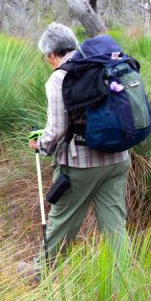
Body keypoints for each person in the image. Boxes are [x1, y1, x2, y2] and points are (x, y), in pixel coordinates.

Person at [25, 22, 131, 275]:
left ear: (52, 54)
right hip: (118, 159)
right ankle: (127, 283)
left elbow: (56, 131)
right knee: (115, 224)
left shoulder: (60, 77)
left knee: (62, 221)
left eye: (45, 57)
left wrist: (40, 145)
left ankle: (41, 275)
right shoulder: (103, 63)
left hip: (81, 164)